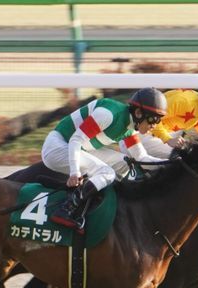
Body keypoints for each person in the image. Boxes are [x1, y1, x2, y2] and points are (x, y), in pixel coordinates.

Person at [42, 88, 168, 229]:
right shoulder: (108, 114)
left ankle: (115, 205)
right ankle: (66, 209)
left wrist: (171, 163)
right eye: (153, 119)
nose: (155, 125)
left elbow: (141, 157)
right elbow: (75, 140)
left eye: (159, 120)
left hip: (80, 147)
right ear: (138, 113)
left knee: (124, 162)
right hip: (57, 146)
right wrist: (74, 172)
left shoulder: (131, 128)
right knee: (107, 172)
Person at [94, 73, 198, 177]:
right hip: (138, 136)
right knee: (186, 156)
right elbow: (151, 120)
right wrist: (167, 138)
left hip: (151, 138)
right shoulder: (185, 102)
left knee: (194, 147)